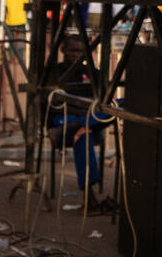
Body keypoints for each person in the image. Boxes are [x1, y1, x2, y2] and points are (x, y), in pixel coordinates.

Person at [49, 34, 116, 214]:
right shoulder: (54, 72)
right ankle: (89, 197)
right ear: (63, 50)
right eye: (72, 50)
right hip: (64, 118)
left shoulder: (92, 73)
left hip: (86, 119)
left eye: (80, 51)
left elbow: (104, 103)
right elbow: (51, 106)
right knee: (84, 134)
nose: (76, 55)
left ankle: (75, 126)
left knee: (121, 105)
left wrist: (87, 116)